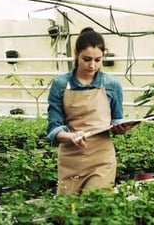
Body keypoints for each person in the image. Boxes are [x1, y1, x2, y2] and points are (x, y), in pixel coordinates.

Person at [46, 27, 135, 195]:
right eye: (86, 59)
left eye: (98, 60)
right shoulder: (60, 84)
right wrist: (70, 136)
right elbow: (53, 127)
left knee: (96, 206)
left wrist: (120, 128)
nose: (92, 65)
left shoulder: (112, 84)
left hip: (102, 157)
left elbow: (117, 118)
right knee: (66, 214)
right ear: (76, 54)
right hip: (71, 157)